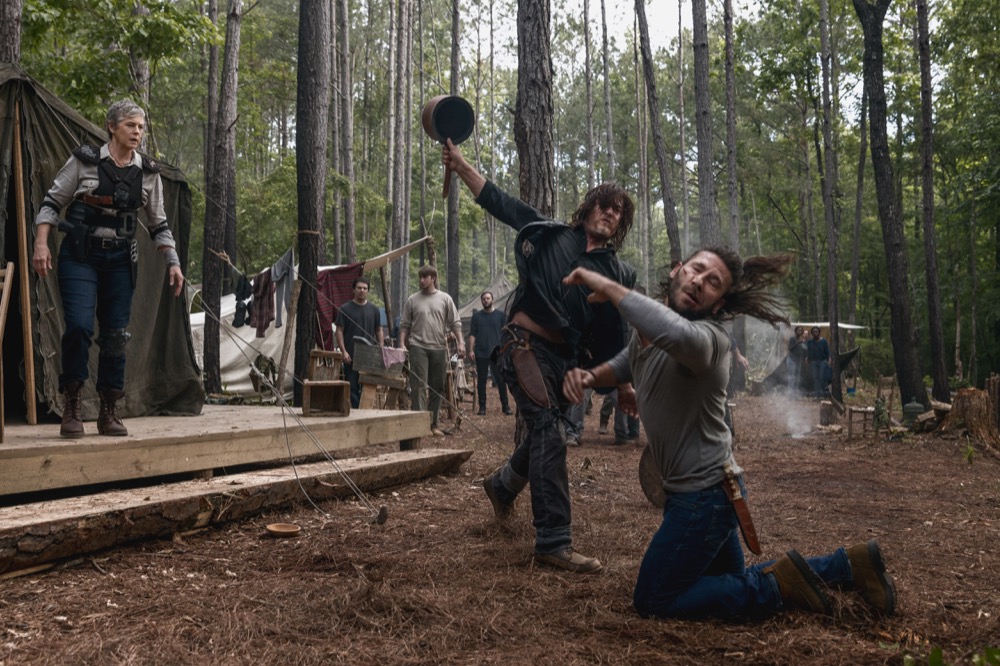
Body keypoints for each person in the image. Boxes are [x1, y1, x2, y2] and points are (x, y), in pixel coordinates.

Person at [561, 248, 896, 620]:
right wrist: (593, 376)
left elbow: (677, 336)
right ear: (678, 270)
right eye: (696, 270)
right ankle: (847, 567)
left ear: (717, 305)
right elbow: (631, 358)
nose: (699, 282)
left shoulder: (710, 339)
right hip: (710, 495)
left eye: (712, 283)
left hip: (702, 500)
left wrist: (609, 287)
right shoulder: (652, 333)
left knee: (654, 598)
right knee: (730, 582)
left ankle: (779, 587)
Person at [443, 139, 636, 574]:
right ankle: (553, 540)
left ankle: (502, 486)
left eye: (617, 210)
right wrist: (459, 164)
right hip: (523, 347)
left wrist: (622, 383)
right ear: (588, 209)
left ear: (620, 222)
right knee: (550, 432)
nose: (608, 212)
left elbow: (618, 331)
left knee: (542, 433)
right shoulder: (550, 234)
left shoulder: (620, 274)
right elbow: (498, 201)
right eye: (602, 205)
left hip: (568, 363)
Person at [32, 100, 185, 439]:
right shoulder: (84, 162)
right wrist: (41, 244)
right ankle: (71, 403)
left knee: (116, 336)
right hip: (80, 256)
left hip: (120, 261)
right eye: (131, 125)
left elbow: (158, 224)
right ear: (112, 127)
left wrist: (172, 262)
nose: (138, 132)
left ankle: (109, 410)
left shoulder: (147, 172)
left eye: (141, 127)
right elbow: (51, 203)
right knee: (79, 327)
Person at [398, 265, 464, 437]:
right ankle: (419, 425)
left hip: (439, 347)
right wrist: (401, 344)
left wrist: (461, 343)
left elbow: (455, 323)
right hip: (418, 346)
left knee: (437, 386)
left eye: (425, 277)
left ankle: (433, 424)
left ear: (433, 278)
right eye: (420, 277)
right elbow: (404, 325)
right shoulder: (412, 300)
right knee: (418, 385)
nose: (421, 280)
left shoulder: (445, 299)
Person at [335, 277, 385, 408]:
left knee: (367, 387)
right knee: (352, 388)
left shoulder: (374, 310)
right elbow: (339, 331)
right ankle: (356, 414)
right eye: (359, 288)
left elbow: (378, 329)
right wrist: (343, 351)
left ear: (368, 291)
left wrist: (381, 347)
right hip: (350, 356)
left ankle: (365, 413)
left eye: (365, 288)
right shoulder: (345, 309)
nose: (362, 291)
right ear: (354, 290)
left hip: (368, 355)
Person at [467, 291, 512, 416]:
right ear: (481, 301)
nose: (486, 300)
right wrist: (470, 350)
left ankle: (506, 406)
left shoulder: (501, 316)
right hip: (481, 351)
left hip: (496, 350)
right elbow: (472, 334)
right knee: (482, 380)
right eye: (484, 299)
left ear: (492, 299)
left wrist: (505, 349)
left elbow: (506, 333)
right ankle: (482, 407)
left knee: (500, 379)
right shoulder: (476, 317)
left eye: (488, 298)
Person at [806, 326, 831, 399]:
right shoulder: (810, 342)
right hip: (813, 362)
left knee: (822, 377)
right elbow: (808, 352)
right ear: (812, 333)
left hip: (822, 361)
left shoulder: (824, 341)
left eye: (816, 331)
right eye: (813, 332)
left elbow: (828, 351)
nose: (815, 333)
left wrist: (829, 358)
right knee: (815, 378)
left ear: (819, 333)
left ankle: (824, 394)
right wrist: (807, 359)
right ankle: (817, 395)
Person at [786, 326, 807, 397]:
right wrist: (798, 343)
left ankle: (794, 394)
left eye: (801, 330)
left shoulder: (801, 340)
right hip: (791, 359)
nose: (800, 332)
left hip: (798, 360)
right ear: (795, 331)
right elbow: (790, 348)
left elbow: (803, 351)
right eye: (798, 330)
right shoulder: (793, 339)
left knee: (797, 377)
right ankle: (790, 394)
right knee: (791, 377)